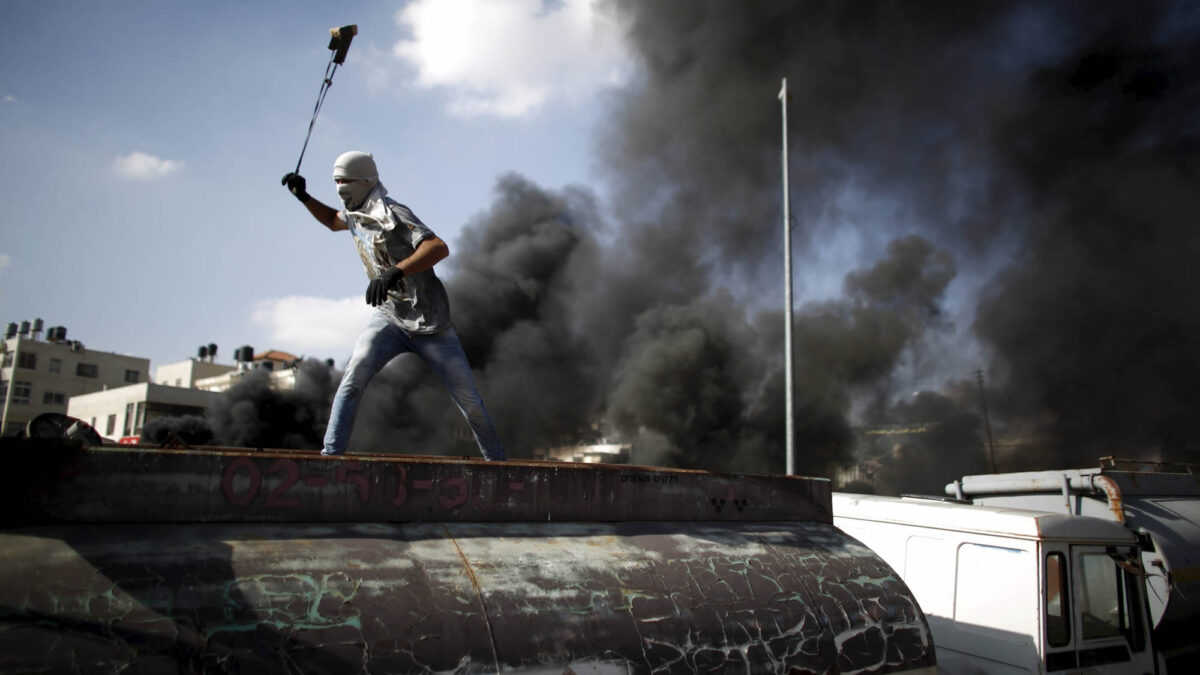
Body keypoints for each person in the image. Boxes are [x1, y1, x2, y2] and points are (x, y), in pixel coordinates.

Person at [281, 152, 505, 461]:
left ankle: (498, 466)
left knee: (471, 404)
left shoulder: (393, 213)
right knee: (353, 379)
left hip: (432, 326)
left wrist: (395, 271)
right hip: (389, 318)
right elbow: (334, 221)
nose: (340, 188)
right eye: (336, 182)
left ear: (364, 181)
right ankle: (330, 457)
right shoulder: (355, 213)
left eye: (345, 181)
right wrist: (305, 197)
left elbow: (438, 247)